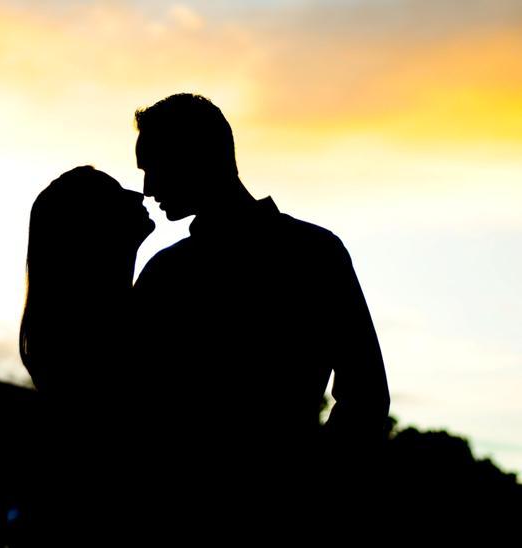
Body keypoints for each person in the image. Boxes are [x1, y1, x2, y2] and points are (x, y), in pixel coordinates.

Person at [131, 93, 391, 530]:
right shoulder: (315, 251)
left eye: (153, 167)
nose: (148, 188)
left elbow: (365, 396)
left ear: (196, 157)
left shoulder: (170, 273)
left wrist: (309, 487)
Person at [18, 165, 154, 546]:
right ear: (91, 230)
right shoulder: (95, 334)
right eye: (118, 196)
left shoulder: (78, 328)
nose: (139, 195)